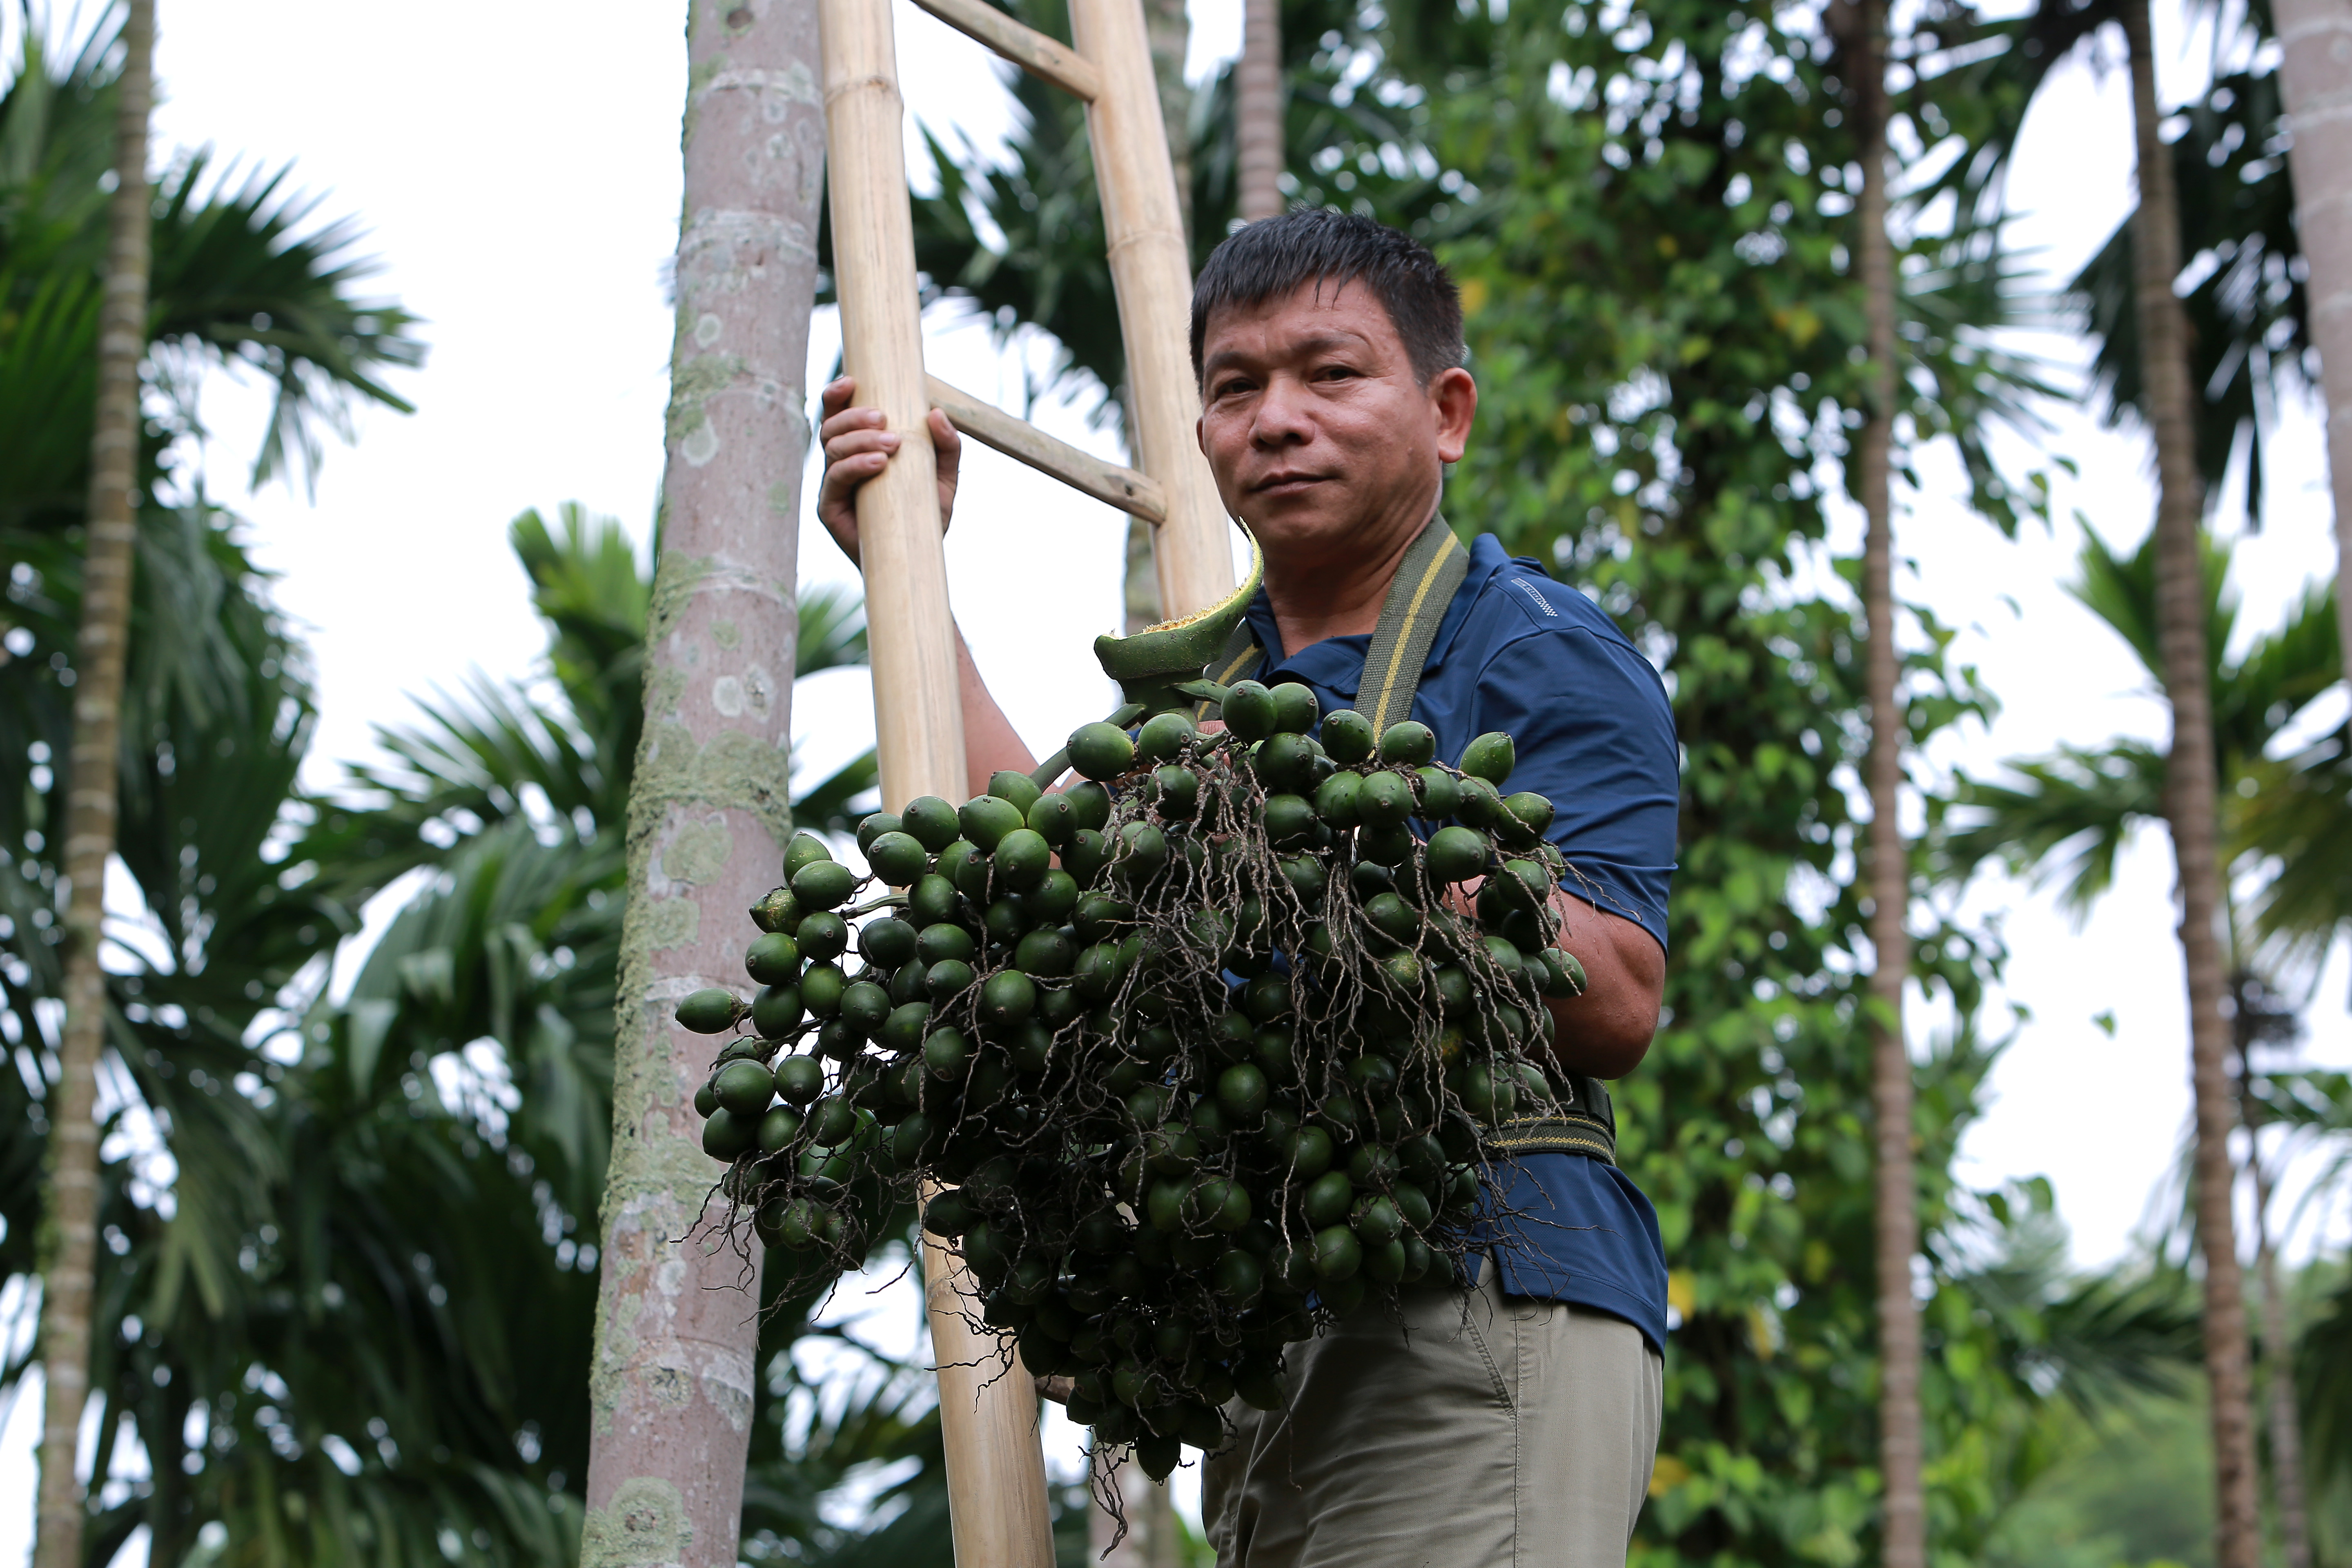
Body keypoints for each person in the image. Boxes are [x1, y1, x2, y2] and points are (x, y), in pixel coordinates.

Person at [817, 208, 1678, 1568]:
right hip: (1263, 1338)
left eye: (1331, 375)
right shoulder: (1205, 685)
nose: (1277, 419)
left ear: (1446, 413)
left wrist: (1326, 833)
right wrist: (904, 567)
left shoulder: (1538, 651)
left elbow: (1618, 993)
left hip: (1485, 1302)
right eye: (1236, 387)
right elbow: (1031, 880)